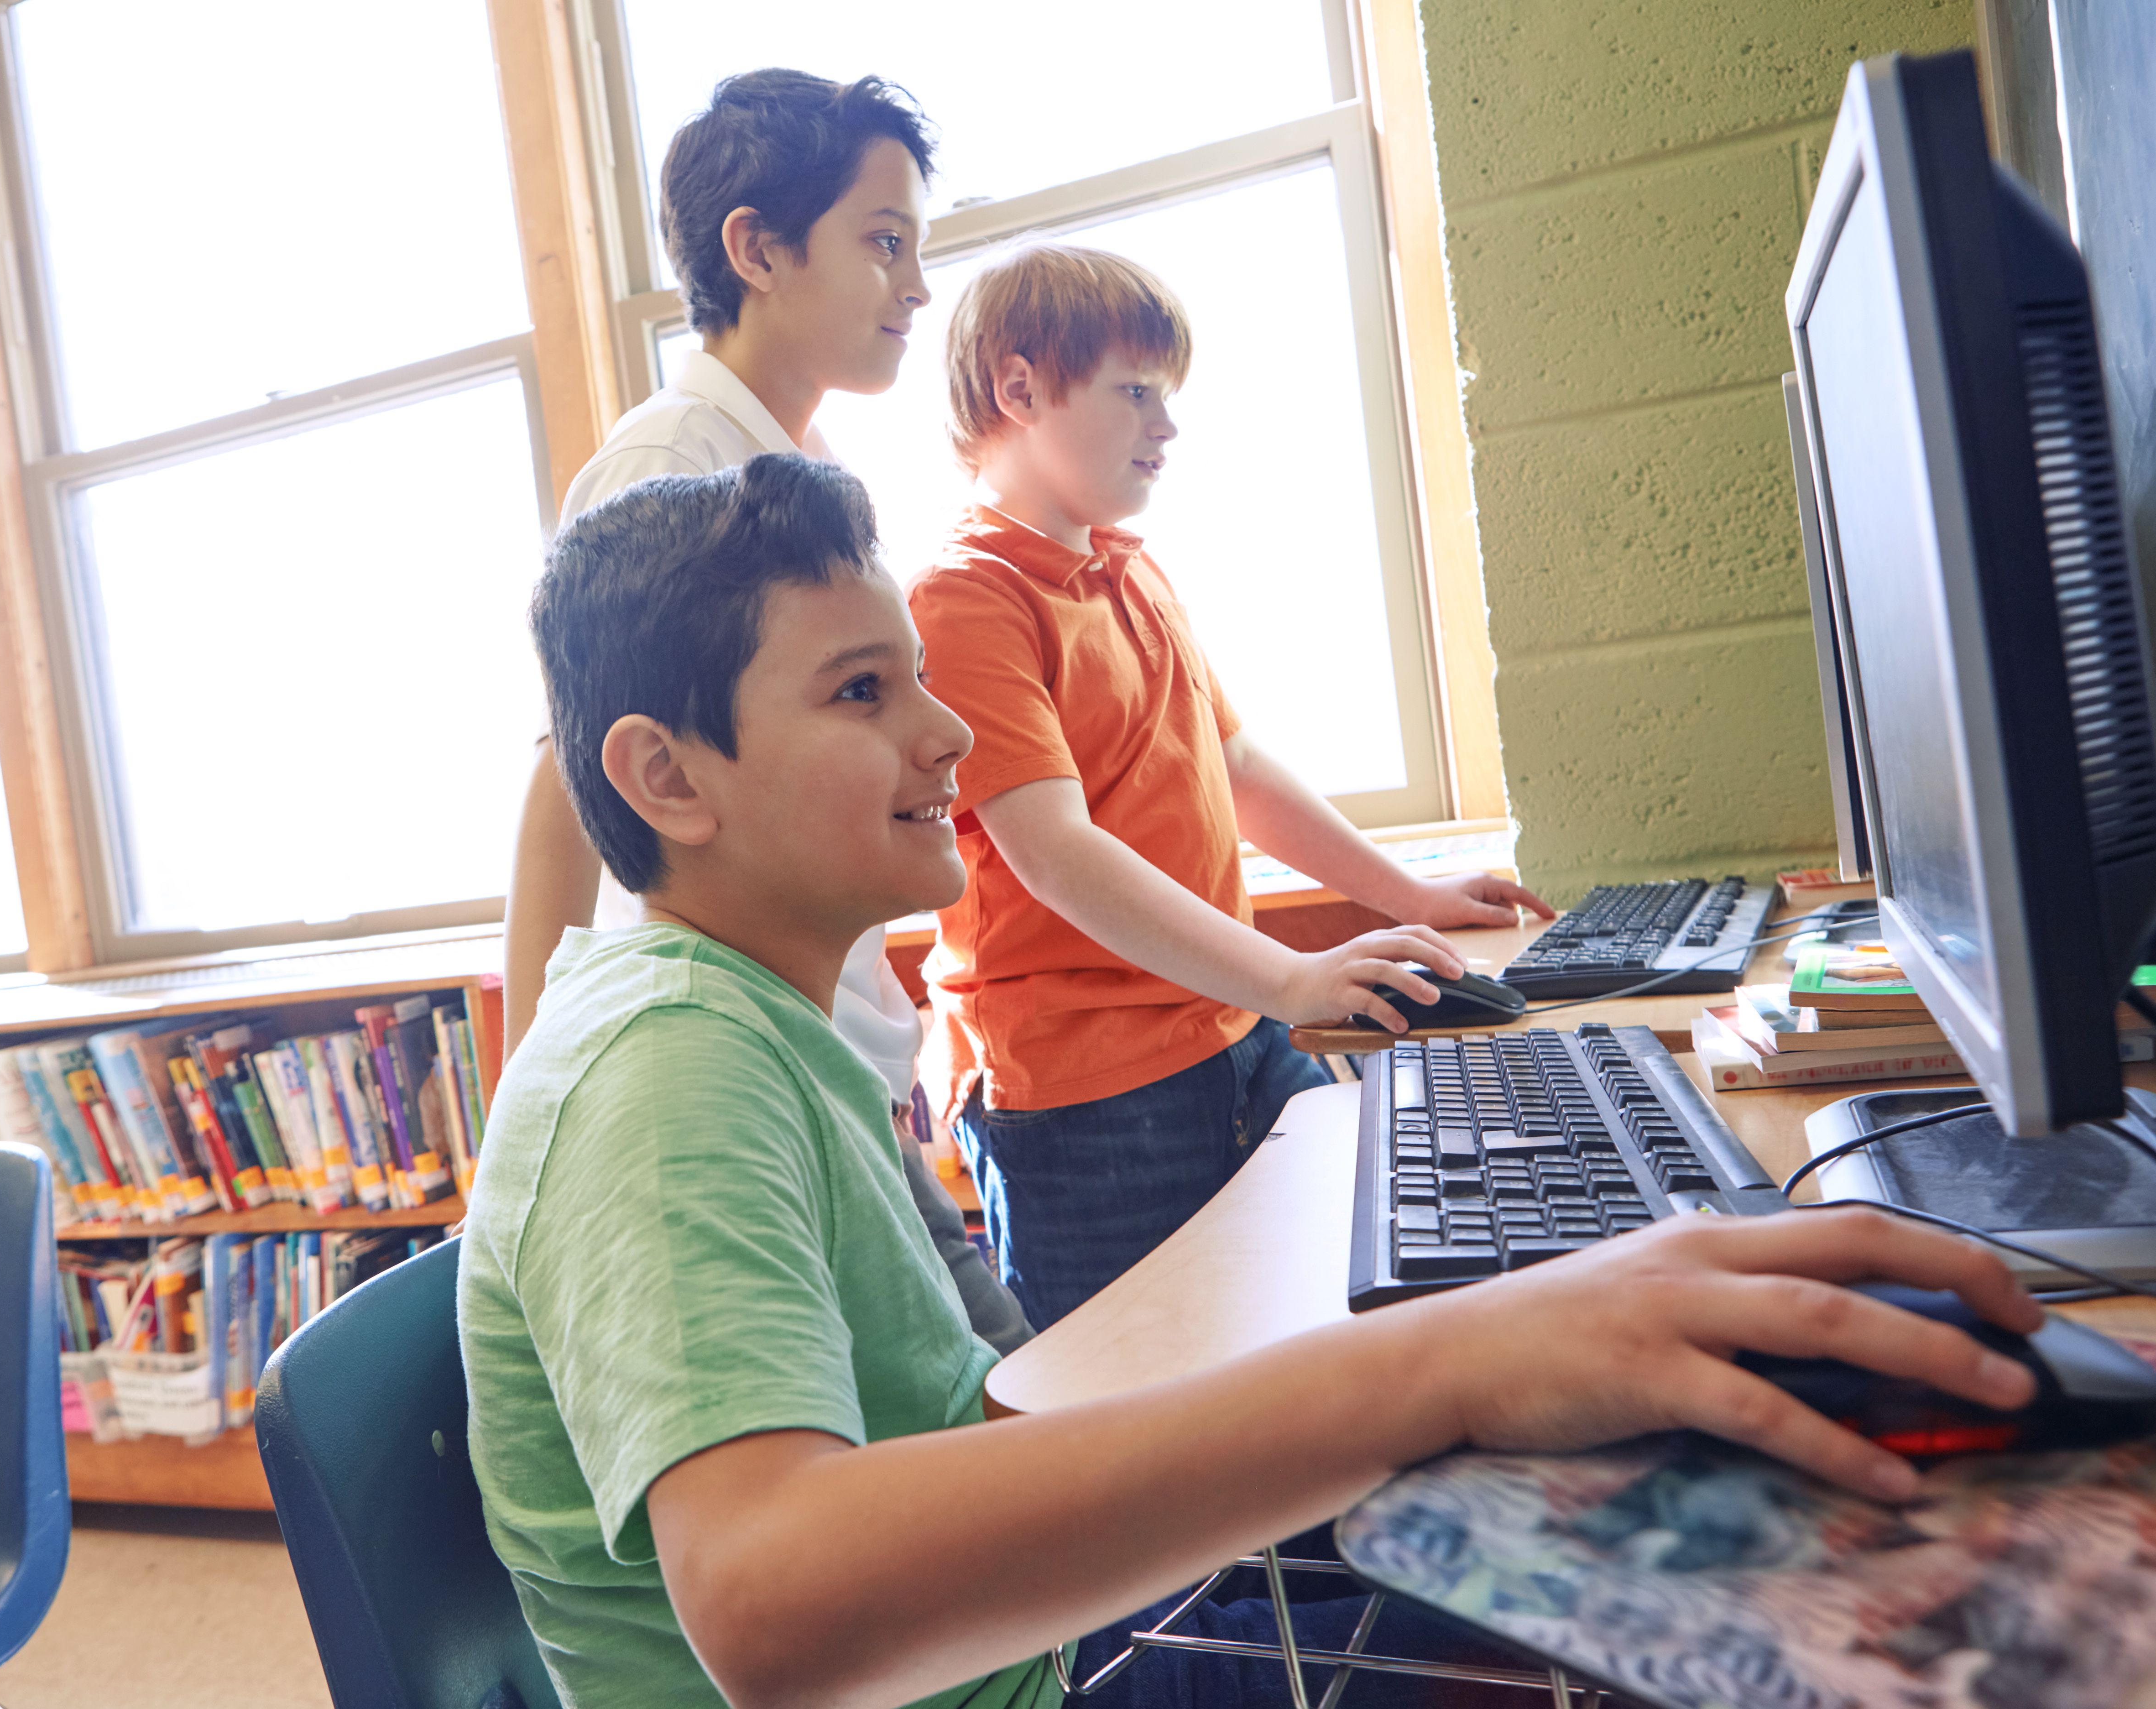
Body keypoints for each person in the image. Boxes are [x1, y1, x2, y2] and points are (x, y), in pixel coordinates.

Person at [460, 451, 2045, 1709]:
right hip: (1041, 1677)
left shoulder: (749, 1030)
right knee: (1742, 1620)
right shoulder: (659, 1073)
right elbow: (771, 1606)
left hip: (1032, 1657)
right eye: (860, 691)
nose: (947, 732)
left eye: (917, 678)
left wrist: (1463, 1340)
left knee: (1682, 1534)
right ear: (665, 776)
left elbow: (994, 1411)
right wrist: (1449, 1360)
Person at [906, 244, 1554, 1328]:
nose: (1165, 425)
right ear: (1019, 389)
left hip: (1238, 1032)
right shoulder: (965, 600)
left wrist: (1410, 897)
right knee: (1141, 1398)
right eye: (1134, 392)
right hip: (1090, 1101)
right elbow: (1055, 853)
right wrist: (1293, 979)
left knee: (1340, 1320)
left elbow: (1236, 768)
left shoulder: (1130, 569)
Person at [499, 69, 1030, 1352]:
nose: (916, 287)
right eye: (884, 242)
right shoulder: (669, 464)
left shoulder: (801, 465)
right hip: (750, 1064)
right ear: (758, 250)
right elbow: (568, 792)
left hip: (833, 1049)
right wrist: (531, 1109)